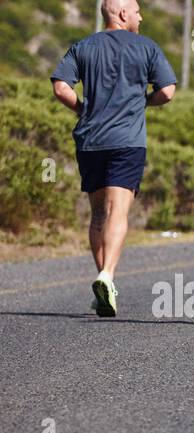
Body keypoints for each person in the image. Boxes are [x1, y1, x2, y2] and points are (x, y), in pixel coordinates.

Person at [50, 0, 177, 319]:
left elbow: (60, 86)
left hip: (91, 141)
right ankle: (106, 274)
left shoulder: (83, 46)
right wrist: (142, 102)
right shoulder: (146, 47)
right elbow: (168, 91)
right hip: (127, 142)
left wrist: (82, 109)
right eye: (137, 11)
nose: (141, 16)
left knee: (97, 214)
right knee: (118, 210)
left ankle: (103, 280)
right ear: (122, 14)